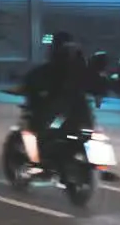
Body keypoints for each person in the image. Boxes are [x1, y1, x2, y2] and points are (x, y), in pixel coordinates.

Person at [20, 32, 94, 165]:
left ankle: (36, 163)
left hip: (59, 114)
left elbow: (36, 80)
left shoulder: (54, 66)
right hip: (81, 115)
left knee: (33, 130)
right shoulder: (82, 65)